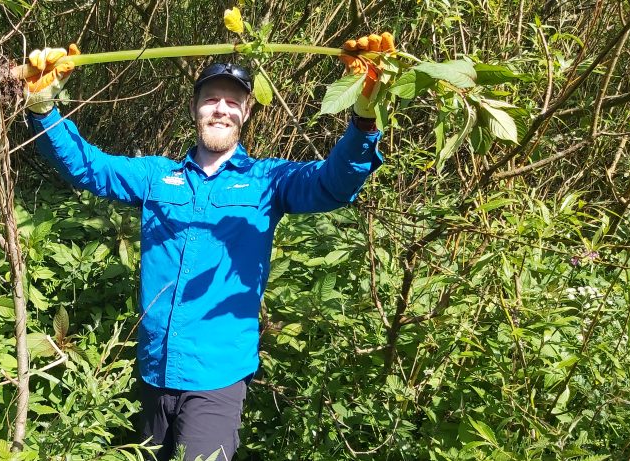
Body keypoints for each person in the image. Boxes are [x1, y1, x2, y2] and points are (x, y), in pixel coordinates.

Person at [23, 33, 394, 460]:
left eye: (233, 101)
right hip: (152, 372)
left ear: (247, 111)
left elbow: (333, 184)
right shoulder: (155, 176)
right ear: (195, 109)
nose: (221, 108)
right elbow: (89, 167)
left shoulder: (268, 181)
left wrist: (365, 116)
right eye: (211, 99)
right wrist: (42, 106)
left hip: (216, 381)